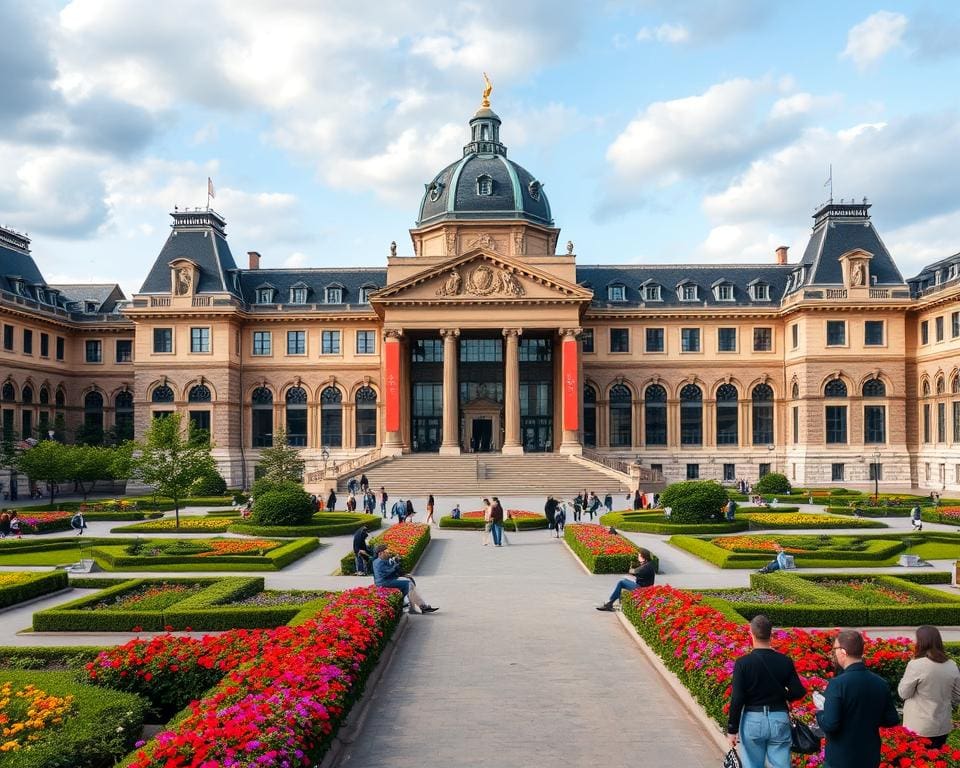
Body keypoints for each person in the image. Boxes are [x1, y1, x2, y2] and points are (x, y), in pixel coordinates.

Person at [726, 615, 806, 768]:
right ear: (771, 634)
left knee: (752, 764)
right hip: (779, 718)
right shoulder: (785, 661)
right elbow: (798, 691)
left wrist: (732, 730)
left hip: (752, 719)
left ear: (751, 633)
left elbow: (737, 698)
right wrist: (783, 695)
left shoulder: (743, 663)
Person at [815, 629, 900, 768]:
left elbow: (831, 724)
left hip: (841, 758)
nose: (833, 654)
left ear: (843, 651)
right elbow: (891, 719)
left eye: (834, 649)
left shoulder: (838, 684)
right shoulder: (880, 683)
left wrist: (820, 713)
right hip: (869, 756)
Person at [897, 625, 960, 749]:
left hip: (918, 727)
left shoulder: (916, 665)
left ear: (921, 642)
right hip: (942, 725)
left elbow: (903, 693)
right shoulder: (951, 665)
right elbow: (957, 696)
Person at [372, 545, 438, 614]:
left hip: (388, 580)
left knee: (409, 580)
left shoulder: (382, 560)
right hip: (384, 582)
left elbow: (390, 571)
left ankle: (419, 607)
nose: (388, 553)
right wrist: (395, 565)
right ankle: (417, 607)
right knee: (408, 583)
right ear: (380, 553)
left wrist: (403, 574)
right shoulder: (378, 562)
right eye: (386, 552)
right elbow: (385, 574)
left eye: (388, 551)